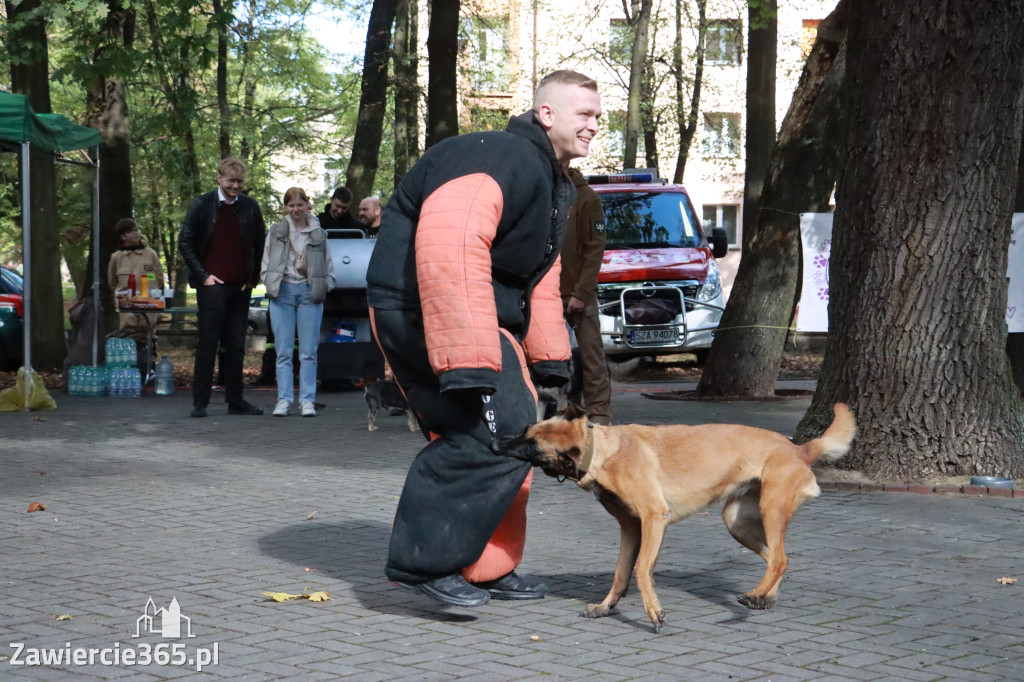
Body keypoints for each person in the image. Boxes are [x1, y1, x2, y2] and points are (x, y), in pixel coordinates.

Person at [366, 69, 601, 607]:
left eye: (597, 117)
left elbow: (538, 273)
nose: (594, 126)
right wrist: (468, 364)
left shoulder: (551, 177)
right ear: (547, 114)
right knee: (493, 436)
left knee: (521, 437)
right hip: (423, 309)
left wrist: (550, 359)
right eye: (584, 114)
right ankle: (423, 563)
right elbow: (451, 244)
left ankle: (485, 566)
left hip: (474, 315)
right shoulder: (501, 156)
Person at [178, 156, 267, 418]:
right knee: (208, 343)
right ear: (218, 178)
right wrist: (203, 275)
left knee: (237, 345)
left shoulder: (250, 207)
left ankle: (235, 399)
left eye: (239, 182)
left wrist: (252, 278)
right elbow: (185, 242)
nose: (235, 186)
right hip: (212, 287)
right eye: (231, 181)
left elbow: (260, 243)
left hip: (240, 287)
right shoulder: (202, 204)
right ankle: (200, 402)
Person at [260, 187, 334, 418]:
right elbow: (265, 265)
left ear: (307, 205)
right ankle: (283, 400)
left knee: (309, 352)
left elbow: (329, 267)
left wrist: (322, 285)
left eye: (300, 205)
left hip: (308, 293)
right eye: (291, 205)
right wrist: (271, 283)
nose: (295, 209)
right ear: (285, 207)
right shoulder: (275, 232)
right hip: (281, 293)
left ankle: (307, 400)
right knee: (282, 351)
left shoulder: (319, 234)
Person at [560, 167, 612, 425]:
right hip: (544, 295)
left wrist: (580, 292)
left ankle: (599, 421)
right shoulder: (542, 193)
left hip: (578, 295)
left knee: (592, 361)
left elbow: (595, 250)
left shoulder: (586, 198)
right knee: (549, 361)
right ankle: (566, 416)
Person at [107, 218, 165, 332]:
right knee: (128, 334)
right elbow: (113, 281)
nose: (136, 233)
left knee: (148, 336)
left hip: (149, 304)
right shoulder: (117, 257)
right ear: (123, 236)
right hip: (127, 305)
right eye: (132, 231)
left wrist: (150, 290)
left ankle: (149, 349)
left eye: (137, 230)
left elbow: (159, 277)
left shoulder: (150, 254)